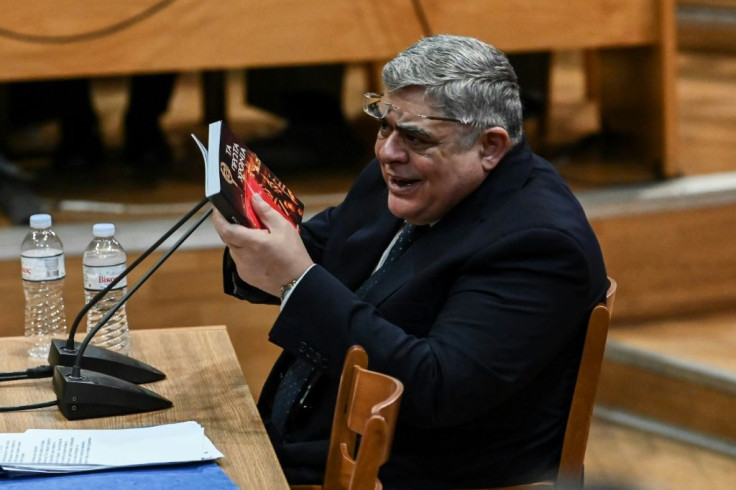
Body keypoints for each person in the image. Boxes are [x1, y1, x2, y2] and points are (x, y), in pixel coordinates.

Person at [213, 34, 608, 489]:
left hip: (406, 474)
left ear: (490, 146)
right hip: (315, 448)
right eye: (384, 125)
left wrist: (294, 280)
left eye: (416, 137)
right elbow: (318, 248)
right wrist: (251, 231)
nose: (387, 151)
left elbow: (436, 388)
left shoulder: (539, 244)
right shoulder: (404, 173)